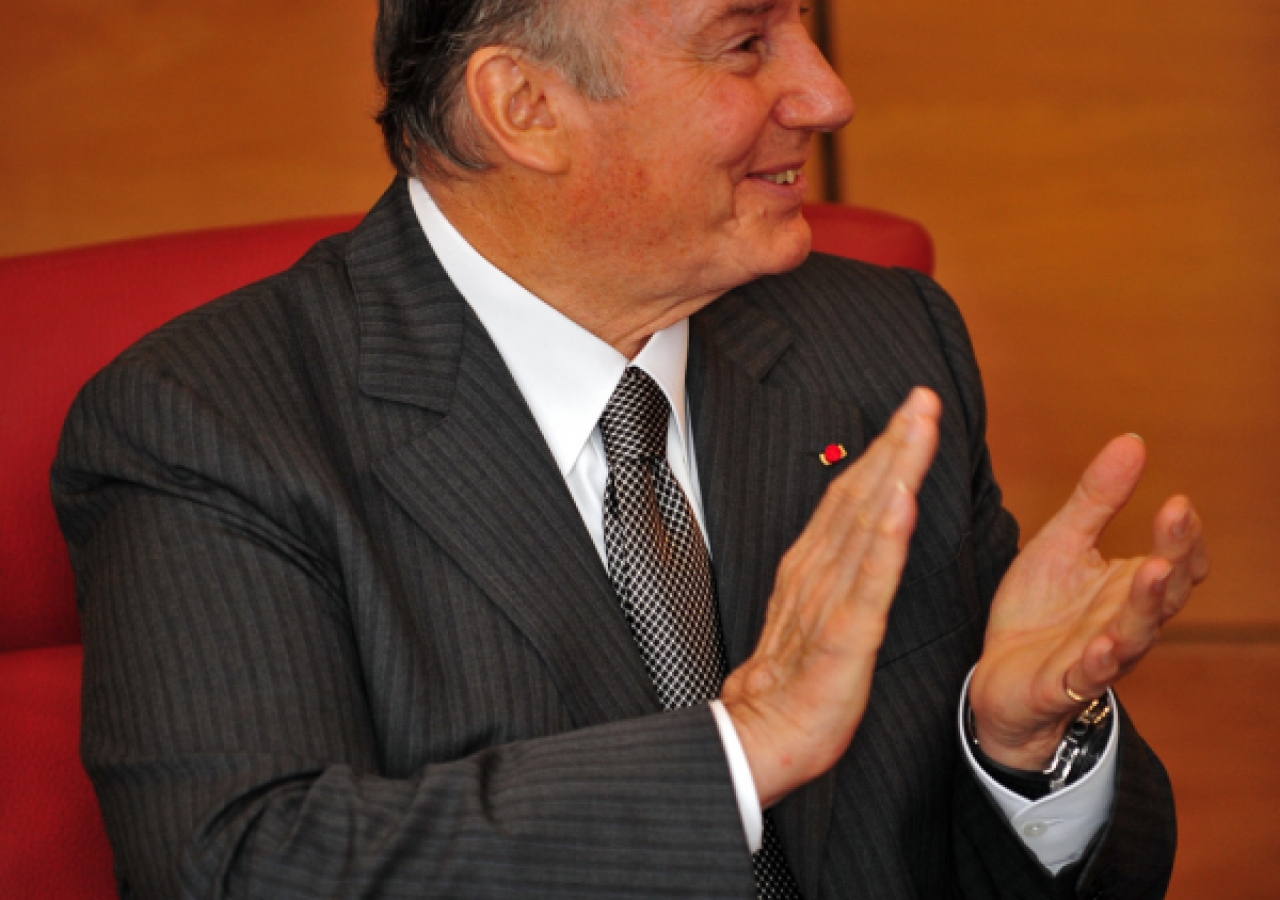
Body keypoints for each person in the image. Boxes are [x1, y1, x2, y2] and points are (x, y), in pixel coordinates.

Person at [51, 0, 1209, 897]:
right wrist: (737, 754)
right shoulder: (208, 422)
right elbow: (244, 868)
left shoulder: (878, 342)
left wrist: (1016, 752)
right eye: (747, 41)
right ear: (525, 107)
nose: (826, 92)